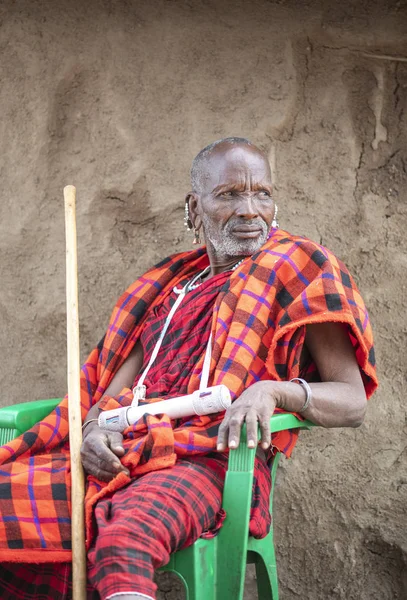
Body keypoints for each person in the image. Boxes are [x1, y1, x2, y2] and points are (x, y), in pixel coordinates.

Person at [0, 137, 377, 600]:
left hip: (214, 460)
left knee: (126, 541)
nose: (249, 210)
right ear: (194, 209)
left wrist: (273, 392)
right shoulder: (171, 286)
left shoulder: (300, 267)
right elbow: (112, 396)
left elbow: (353, 400)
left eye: (262, 193)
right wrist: (97, 431)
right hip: (132, 450)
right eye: (229, 195)